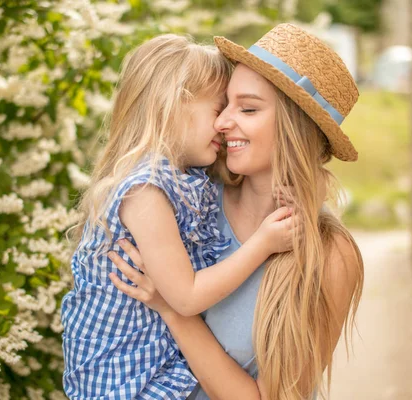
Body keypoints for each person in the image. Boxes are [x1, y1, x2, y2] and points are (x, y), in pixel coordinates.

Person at [108, 23, 364, 400]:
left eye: (247, 108)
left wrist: (174, 310)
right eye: (224, 104)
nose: (222, 122)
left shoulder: (329, 256)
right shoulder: (188, 200)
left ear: (297, 128)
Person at [61, 33, 302, 399]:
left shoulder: (180, 178)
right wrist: (263, 244)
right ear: (172, 107)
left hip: (145, 366)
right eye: (217, 109)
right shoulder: (145, 192)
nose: (223, 123)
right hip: (122, 381)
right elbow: (186, 298)